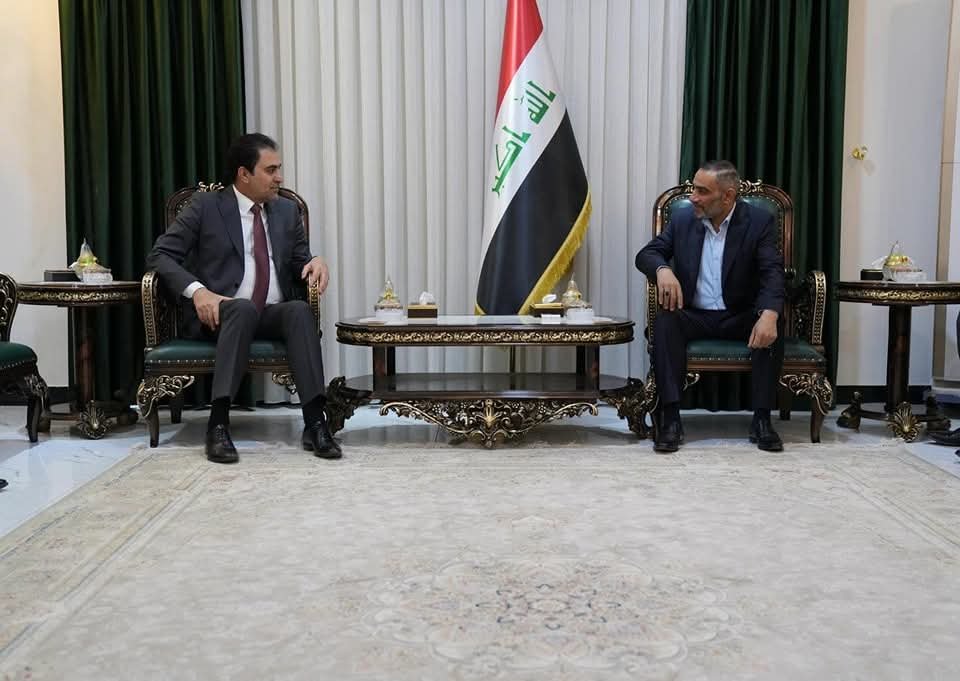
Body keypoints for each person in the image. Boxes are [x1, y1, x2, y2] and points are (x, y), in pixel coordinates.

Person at [146, 133, 340, 464]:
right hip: (221, 314)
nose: (279, 178)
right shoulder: (206, 207)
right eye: (271, 170)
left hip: (270, 313)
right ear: (243, 174)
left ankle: (315, 424)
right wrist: (198, 291)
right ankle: (218, 425)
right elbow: (160, 255)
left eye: (279, 169)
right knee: (241, 309)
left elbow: (300, 261)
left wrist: (316, 261)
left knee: (298, 311)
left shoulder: (286, 211)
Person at [635, 160, 786, 453]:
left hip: (740, 314)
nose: (693, 197)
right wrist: (662, 270)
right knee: (665, 322)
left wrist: (769, 313)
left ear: (727, 196)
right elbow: (647, 254)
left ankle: (762, 420)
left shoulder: (757, 222)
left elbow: (772, 272)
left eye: (702, 192)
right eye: (694, 189)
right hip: (695, 315)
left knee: (771, 323)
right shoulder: (683, 220)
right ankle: (671, 419)